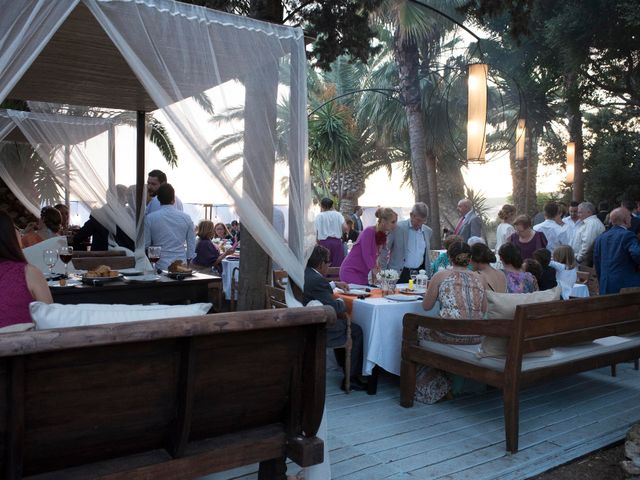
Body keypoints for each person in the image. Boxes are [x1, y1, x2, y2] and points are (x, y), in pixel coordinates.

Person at [416, 241, 486, 404]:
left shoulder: (440, 276)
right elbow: (483, 309)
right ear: (469, 259)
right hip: (476, 335)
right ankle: (442, 384)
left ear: (449, 258)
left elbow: (426, 307)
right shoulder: (480, 279)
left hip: (449, 334)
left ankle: (434, 387)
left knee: (417, 332)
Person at [303, 245, 365, 391]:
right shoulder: (318, 281)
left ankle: (345, 366)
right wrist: (342, 301)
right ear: (320, 264)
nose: (329, 265)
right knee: (356, 330)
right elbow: (335, 308)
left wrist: (333, 284)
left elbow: (317, 289)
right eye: (328, 263)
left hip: (305, 321)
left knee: (344, 323)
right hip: (317, 329)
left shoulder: (306, 273)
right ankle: (351, 377)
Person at [0, 210, 52, 329]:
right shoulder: (28, 273)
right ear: (9, 235)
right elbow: (50, 320)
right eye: (15, 228)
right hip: (23, 345)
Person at [144, 183, 195, 270]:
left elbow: (147, 245)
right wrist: (188, 262)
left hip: (159, 265)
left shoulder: (150, 218)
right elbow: (191, 244)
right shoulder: (186, 218)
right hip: (181, 265)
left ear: (158, 199)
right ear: (174, 199)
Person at [340, 207, 397, 285]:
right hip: (351, 271)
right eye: (393, 222)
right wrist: (379, 275)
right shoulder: (369, 231)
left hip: (363, 274)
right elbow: (367, 255)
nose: (395, 225)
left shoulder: (383, 236)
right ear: (383, 221)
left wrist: (379, 274)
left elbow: (377, 259)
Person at [593, 207, 640, 294]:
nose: (631, 219)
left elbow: (597, 262)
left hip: (605, 284)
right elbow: (637, 253)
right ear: (625, 220)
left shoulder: (600, 238)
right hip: (626, 286)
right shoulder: (628, 235)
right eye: (630, 217)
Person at [383, 202, 433, 282]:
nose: (420, 224)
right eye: (418, 220)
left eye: (423, 221)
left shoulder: (428, 231)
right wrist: (383, 273)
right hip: (399, 275)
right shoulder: (397, 228)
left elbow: (425, 255)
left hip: (419, 275)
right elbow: (384, 250)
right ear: (411, 215)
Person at [571, 202, 605, 267]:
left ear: (589, 212)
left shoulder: (591, 224)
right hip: (584, 260)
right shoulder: (590, 223)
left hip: (586, 261)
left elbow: (587, 243)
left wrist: (579, 258)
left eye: (580, 212)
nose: (578, 215)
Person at [315, 198, 346, 268]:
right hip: (336, 243)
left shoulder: (319, 216)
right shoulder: (338, 215)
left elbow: (315, 231)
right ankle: (336, 279)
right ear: (332, 205)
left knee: (324, 265)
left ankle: (325, 279)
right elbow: (345, 227)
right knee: (337, 265)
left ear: (322, 206)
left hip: (323, 243)